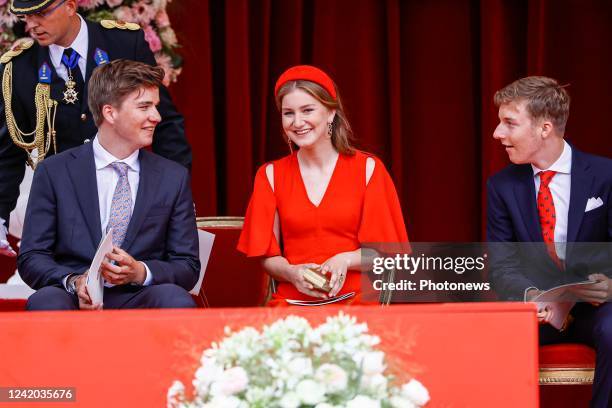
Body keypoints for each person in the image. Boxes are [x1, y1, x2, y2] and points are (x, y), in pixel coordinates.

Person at [0, 0, 192, 256]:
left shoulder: (124, 43)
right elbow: (8, 153)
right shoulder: (19, 67)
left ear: (69, 6)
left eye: (42, 14)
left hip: (130, 198)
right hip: (65, 213)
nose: (32, 25)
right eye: (26, 17)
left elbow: (165, 122)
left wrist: (178, 196)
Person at [18, 59, 199, 310]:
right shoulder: (54, 172)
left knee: (176, 300)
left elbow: (187, 265)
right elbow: (32, 257)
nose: (156, 117)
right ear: (109, 112)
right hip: (73, 296)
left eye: (156, 107)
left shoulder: (173, 177)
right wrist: (74, 282)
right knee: (45, 302)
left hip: (141, 295)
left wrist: (140, 272)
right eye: (144, 106)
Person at [486, 76, 612, 407]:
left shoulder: (605, 175)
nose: (497, 134)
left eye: (509, 123)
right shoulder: (501, 186)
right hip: (534, 310)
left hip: (597, 309)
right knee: (490, 335)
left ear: (544, 128)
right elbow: (502, 264)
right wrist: (530, 296)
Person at [237, 65, 409, 306]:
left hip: (357, 300)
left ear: (331, 113)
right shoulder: (270, 175)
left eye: (307, 110)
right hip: (293, 301)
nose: (298, 122)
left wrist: (345, 259)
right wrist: (292, 273)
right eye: (288, 113)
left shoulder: (369, 169)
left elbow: (385, 254)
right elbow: (267, 257)